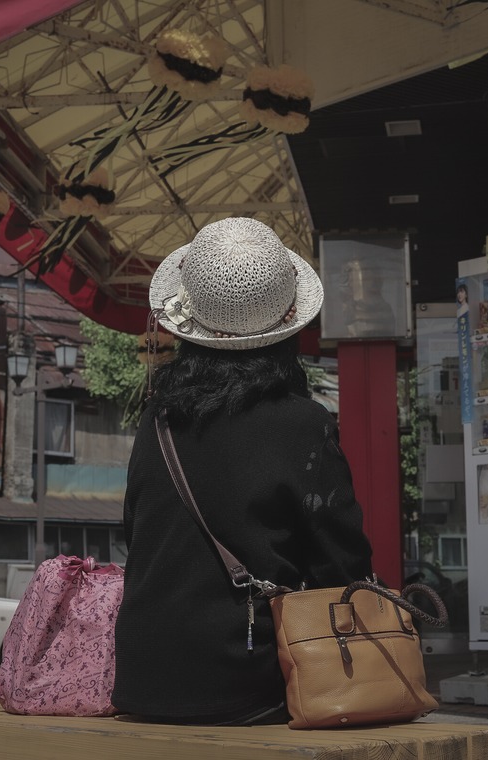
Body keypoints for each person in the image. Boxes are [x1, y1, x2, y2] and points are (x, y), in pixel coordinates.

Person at [112, 217, 374, 726]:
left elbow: (136, 530)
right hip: (246, 682)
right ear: (287, 327)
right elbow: (340, 562)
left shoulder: (159, 418)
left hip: (143, 675)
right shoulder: (304, 424)